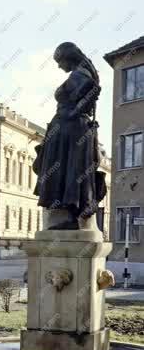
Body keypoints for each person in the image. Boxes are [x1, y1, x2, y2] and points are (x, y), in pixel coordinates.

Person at [33, 41, 106, 230]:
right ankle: (69, 213)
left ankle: (70, 216)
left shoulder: (79, 75)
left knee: (68, 170)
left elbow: (85, 98)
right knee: (70, 169)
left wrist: (69, 115)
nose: (59, 66)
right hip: (71, 128)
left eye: (60, 61)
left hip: (70, 130)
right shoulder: (82, 73)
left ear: (68, 58)